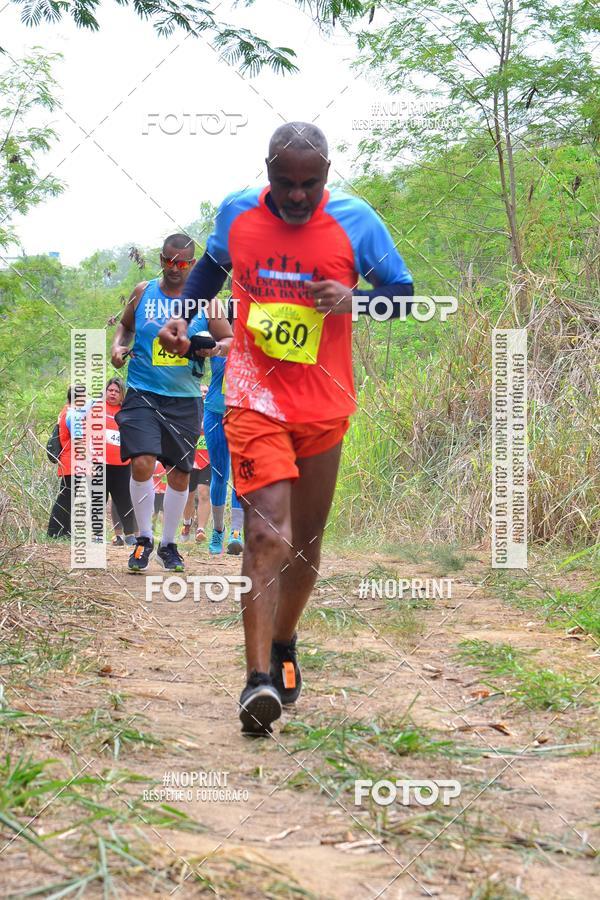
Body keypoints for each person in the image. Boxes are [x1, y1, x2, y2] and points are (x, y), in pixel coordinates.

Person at [160, 123, 414, 734]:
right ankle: (256, 683)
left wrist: (356, 300)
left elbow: (403, 297)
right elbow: (209, 275)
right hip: (252, 396)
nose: (297, 195)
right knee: (268, 531)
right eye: (285, 182)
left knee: (305, 542)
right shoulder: (238, 213)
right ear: (267, 170)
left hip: (324, 402)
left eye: (311, 183)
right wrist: (180, 320)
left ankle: (284, 641)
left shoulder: (356, 220)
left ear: (328, 173)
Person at [111, 233, 232, 573]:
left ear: (192, 264)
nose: (173, 268)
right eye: (167, 260)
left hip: (185, 398)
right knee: (142, 462)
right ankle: (143, 540)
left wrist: (214, 349)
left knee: (181, 474)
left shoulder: (208, 301)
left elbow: (229, 340)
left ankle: (169, 545)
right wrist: (117, 348)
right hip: (142, 392)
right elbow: (124, 326)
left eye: (181, 263)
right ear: (160, 259)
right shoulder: (143, 291)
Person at [203, 308, 245, 556]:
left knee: (241, 475)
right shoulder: (215, 338)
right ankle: (218, 530)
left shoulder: (256, 341)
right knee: (219, 474)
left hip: (243, 416)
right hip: (215, 414)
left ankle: (236, 533)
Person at [103, 377, 137, 545]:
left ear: (122, 394)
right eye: (110, 390)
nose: (113, 394)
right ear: (105, 392)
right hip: (100, 463)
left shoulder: (127, 411)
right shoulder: (96, 409)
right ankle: (95, 535)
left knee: (124, 500)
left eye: (117, 391)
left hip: (122, 464)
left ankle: (130, 534)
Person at [47, 386, 75, 538]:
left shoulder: (66, 411)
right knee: (65, 498)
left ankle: (65, 531)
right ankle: (54, 531)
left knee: (68, 498)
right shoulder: (71, 414)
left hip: (69, 461)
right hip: (71, 461)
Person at [181, 429, 211, 542]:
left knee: (204, 493)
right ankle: (187, 523)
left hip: (208, 458)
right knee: (189, 496)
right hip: (190, 456)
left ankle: (201, 529)